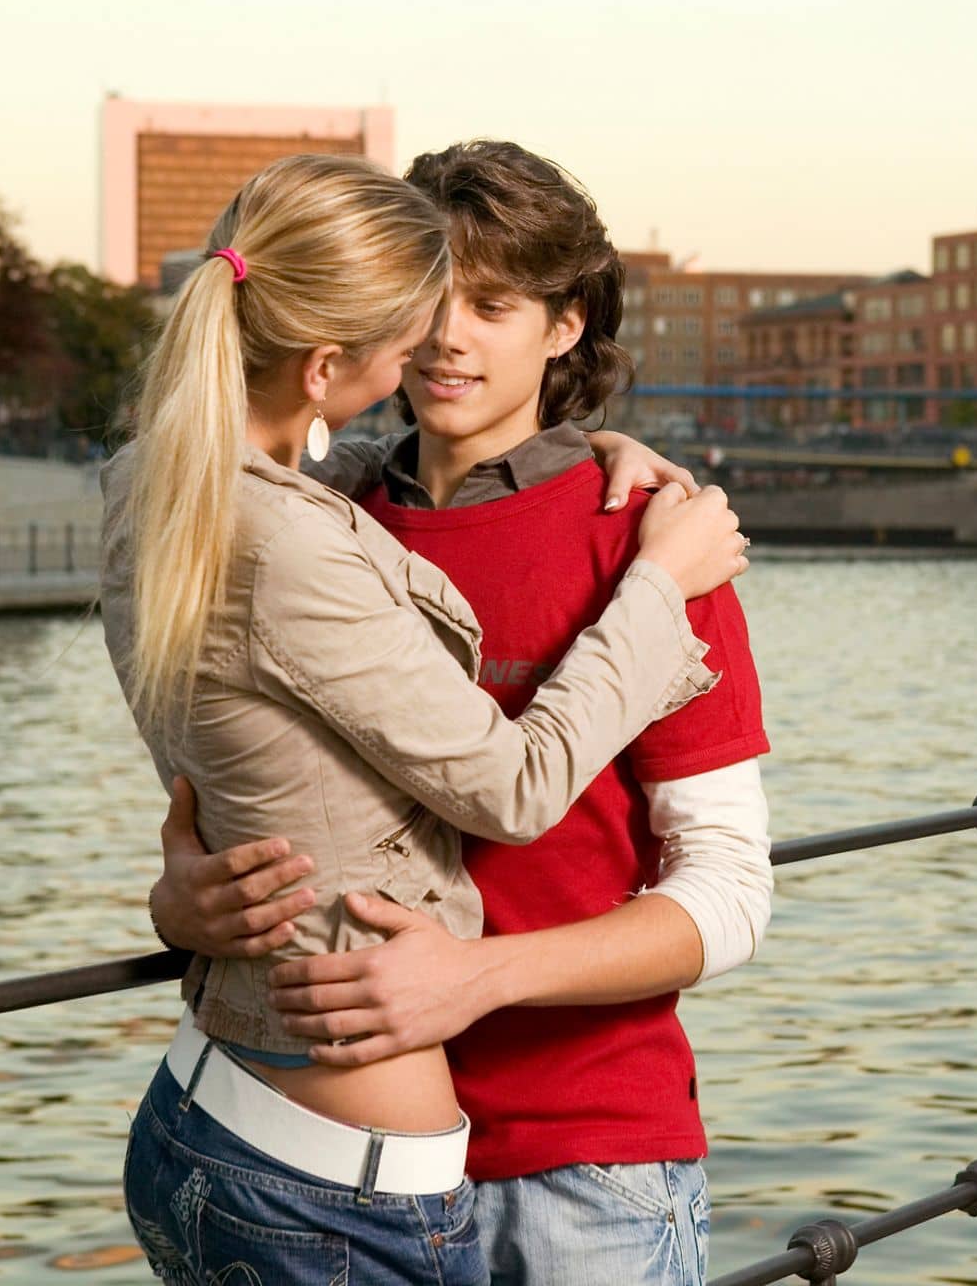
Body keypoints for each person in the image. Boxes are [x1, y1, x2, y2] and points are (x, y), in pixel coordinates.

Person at [98, 152, 750, 1286]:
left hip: (582, 1161)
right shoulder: (316, 512)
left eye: (490, 307)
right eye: (427, 302)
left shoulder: (649, 541)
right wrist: (180, 903)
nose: (444, 338)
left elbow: (731, 894)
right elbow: (242, 779)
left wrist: (482, 974)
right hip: (316, 1131)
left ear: (564, 326)